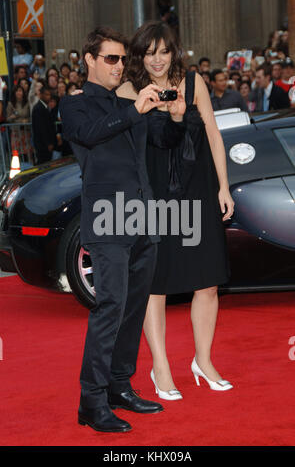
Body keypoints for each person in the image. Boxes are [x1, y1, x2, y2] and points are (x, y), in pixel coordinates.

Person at [59, 26, 186, 433]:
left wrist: (178, 116)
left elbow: (163, 141)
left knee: (133, 307)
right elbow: (90, 135)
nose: (118, 66)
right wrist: (135, 109)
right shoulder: (75, 105)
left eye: (121, 59)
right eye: (110, 59)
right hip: (107, 218)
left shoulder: (129, 104)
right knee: (110, 306)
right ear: (89, 60)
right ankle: (91, 401)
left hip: (143, 218)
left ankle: (118, 385)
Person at [117, 21, 234, 400]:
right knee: (156, 283)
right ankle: (160, 367)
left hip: (198, 189)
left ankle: (203, 359)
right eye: (149, 52)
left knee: (208, 279)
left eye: (163, 51)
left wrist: (224, 187)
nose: (156, 59)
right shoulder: (128, 90)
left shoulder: (194, 82)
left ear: (173, 52)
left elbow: (214, 134)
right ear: (140, 55)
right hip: (153, 194)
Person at [31, 85, 57, 164]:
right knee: (43, 164)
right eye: (46, 94)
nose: (48, 97)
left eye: (49, 95)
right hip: (42, 145)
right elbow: (41, 128)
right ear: (41, 95)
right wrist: (48, 143)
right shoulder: (38, 108)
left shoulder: (44, 107)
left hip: (45, 144)